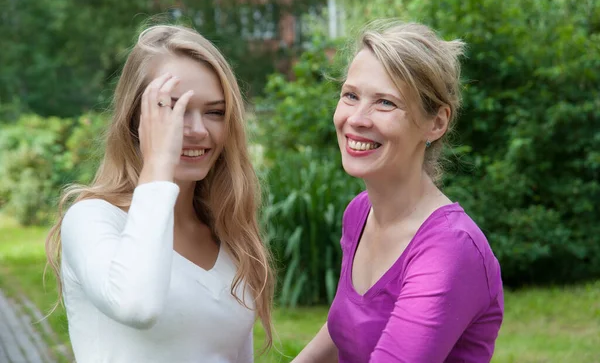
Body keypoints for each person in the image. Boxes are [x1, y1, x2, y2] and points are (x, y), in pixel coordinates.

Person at [45, 24, 274, 363]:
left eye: (214, 112)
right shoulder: (93, 218)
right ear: (135, 118)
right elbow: (137, 305)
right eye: (174, 109)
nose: (197, 130)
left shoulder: (227, 232)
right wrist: (157, 165)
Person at [293, 21, 504, 363]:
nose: (357, 119)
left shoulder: (449, 250)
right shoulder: (360, 213)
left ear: (436, 122)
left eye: (385, 103)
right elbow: (344, 327)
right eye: (350, 95)